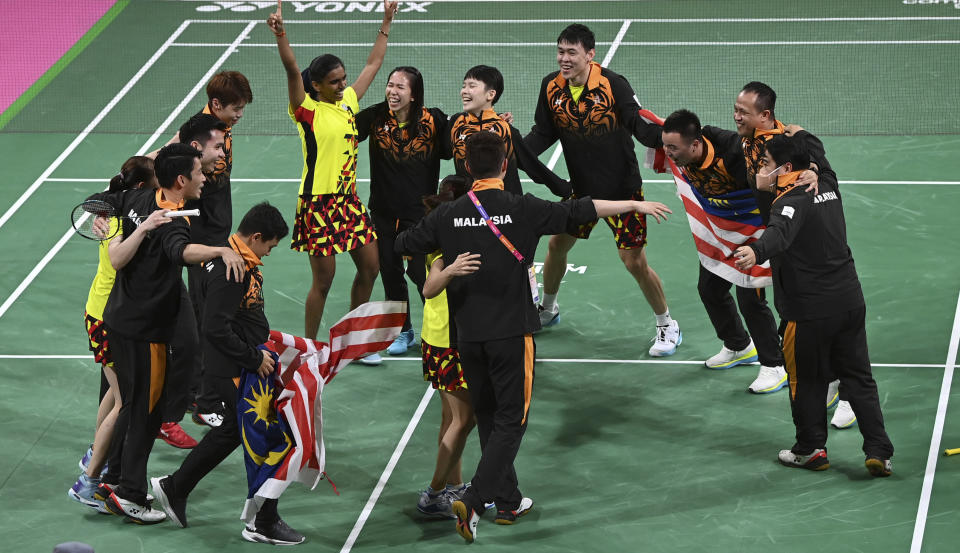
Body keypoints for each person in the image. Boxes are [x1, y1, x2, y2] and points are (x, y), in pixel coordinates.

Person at [396, 131, 672, 543]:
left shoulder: (448, 214)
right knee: (512, 420)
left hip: (467, 337)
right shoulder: (522, 208)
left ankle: (507, 501)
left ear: (468, 167)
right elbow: (583, 207)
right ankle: (474, 499)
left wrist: (445, 268)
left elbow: (402, 243)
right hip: (510, 335)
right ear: (505, 166)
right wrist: (633, 203)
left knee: (489, 415)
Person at [88, 143, 244, 523]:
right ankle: (131, 495)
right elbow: (181, 252)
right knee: (146, 412)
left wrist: (100, 212)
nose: (205, 177)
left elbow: (102, 197)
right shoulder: (170, 220)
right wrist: (220, 251)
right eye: (199, 172)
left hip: (120, 322)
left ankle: (115, 480)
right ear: (180, 180)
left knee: (137, 403)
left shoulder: (139, 195)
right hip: (147, 331)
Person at [733, 135, 894, 477]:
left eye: (765, 163)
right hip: (850, 300)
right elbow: (816, 151)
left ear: (786, 168)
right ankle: (879, 451)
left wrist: (755, 252)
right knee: (859, 379)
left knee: (806, 381)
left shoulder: (789, 201)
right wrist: (812, 163)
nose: (762, 168)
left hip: (808, 312)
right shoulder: (829, 182)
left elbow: (779, 233)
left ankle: (809, 450)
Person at [152, 202, 303, 545]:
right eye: (269, 246)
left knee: (233, 432)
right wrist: (253, 358)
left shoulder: (231, 259)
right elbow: (215, 328)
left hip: (235, 367)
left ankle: (176, 487)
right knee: (270, 438)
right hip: (236, 371)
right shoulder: (230, 270)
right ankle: (262, 521)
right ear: (257, 236)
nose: (268, 254)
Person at [524, 24, 678, 356]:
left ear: (590, 54)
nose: (564, 59)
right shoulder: (551, 86)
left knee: (633, 261)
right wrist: (513, 153)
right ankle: (548, 309)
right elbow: (543, 132)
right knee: (557, 245)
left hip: (623, 190)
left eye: (571, 53)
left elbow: (637, 123)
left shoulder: (613, 84)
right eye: (561, 52)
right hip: (581, 189)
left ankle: (667, 324)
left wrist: (665, 138)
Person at [267, 2, 397, 364]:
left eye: (343, 79)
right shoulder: (305, 111)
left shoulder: (348, 102)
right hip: (317, 204)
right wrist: (281, 35)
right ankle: (308, 347)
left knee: (370, 267)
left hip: (348, 201)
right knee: (323, 281)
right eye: (335, 82)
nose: (343, 85)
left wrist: (386, 21)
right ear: (316, 85)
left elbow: (373, 64)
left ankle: (350, 340)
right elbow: (292, 68)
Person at [733, 81, 855, 424]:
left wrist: (813, 171)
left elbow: (817, 162)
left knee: (823, 315)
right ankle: (825, 378)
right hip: (779, 234)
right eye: (736, 108)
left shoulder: (790, 143)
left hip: (804, 236)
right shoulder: (747, 139)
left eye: (743, 111)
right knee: (791, 311)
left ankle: (848, 392)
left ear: (765, 115)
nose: (736, 115)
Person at [660, 110, 786, 393]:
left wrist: (768, 240)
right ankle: (739, 345)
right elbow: (637, 122)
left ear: (694, 145)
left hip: (755, 231)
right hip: (724, 232)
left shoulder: (734, 154)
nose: (668, 153)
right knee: (710, 289)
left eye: (673, 148)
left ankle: (774, 365)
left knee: (750, 297)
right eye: (665, 146)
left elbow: (770, 180)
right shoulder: (680, 148)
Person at [69, 157, 158, 513]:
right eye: (153, 185)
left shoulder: (117, 206)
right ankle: (88, 482)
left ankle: (96, 453)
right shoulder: (121, 220)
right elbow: (120, 259)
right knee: (125, 401)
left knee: (115, 390)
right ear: (140, 188)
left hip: (100, 311)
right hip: (107, 317)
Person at [354, 66, 448, 355]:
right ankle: (403, 330)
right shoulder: (375, 117)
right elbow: (343, 130)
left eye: (400, 87)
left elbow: (452, 147)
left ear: (413, 94)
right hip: (383, 211)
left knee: (420, 272)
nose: (392, 92)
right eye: (390, 85)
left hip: (419, 214)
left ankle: (443, 327)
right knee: (390, 272)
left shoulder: (434, 121)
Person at [412, 176, 479, 519]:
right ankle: (434, 492)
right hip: (448, 344)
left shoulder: (444, 233)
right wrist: (452, 269)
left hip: (437, 339)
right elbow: (429, 287)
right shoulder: (444, 246)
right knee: (465, 420)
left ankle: (453, 485)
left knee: (450, 417)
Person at [190, 72, 253, 427]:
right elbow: (168, 152)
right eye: (236, 109)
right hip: (203, 240)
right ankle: (205, 400)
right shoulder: (199, 133)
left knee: (207, 313)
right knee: (207, 317)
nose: (240, 115)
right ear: (216, 105)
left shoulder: (219, 128)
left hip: (217, 233)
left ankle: (195, 392)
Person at [444, 65, 571, 198]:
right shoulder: (456, 123)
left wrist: (566, 189)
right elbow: (443, 150)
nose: (464, 91)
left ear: (491, 94)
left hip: (505, 208)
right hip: (469, 208)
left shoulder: (504, 129)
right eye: (464, 86)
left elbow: (532, 165)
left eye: (472, 86)